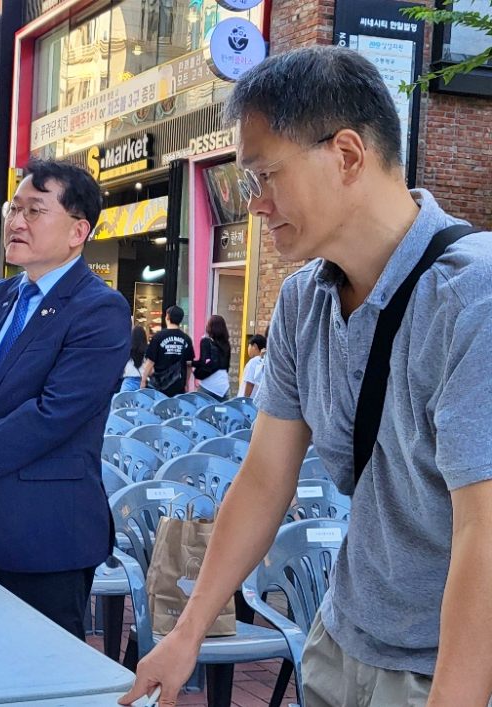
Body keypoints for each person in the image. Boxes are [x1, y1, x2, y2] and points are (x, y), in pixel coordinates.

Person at [120, 45, 492, 707]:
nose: (254, 204)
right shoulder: (302, 302)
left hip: (444, 671)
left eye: (264, 176)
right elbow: (264, 477)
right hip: (339, 641)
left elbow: (482, 533)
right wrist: (189, 630)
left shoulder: (474, 299)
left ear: (346, 154)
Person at [0, 159, 130, 640]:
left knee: (47, 678)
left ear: (77, 231)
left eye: (35, 211)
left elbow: (53, 414)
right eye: (14, 208)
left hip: (48, 536)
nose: (16, 222)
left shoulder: (100, 310)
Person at [139, 306, 194, 397]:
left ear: (167, 317)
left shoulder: (158, 337)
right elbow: (189, 364)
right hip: (178, 385)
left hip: (159, 384)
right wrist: (186, 383)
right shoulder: (186, 339)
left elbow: (150, 361)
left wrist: (143, 381)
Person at [192, 314, 231, 401]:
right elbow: (226, 366)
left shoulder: (206, 341)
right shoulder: (226, 344)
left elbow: (203, 362)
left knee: (202, 412)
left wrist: (191, 363)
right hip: (223, 386)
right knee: (223, 413)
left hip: (208, 386)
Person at [120, 324, 149, 392]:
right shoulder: (147, 350)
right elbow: (151, 370)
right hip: (143, 383)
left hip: (128, 383)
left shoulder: (127, 350)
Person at [240, 333, 267, 398]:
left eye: (249, 346)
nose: (248, 349)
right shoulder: (264, 361)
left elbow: (249, 383)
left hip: (249, 402)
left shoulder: (254, 361)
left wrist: (245, 401)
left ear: (254, 346)